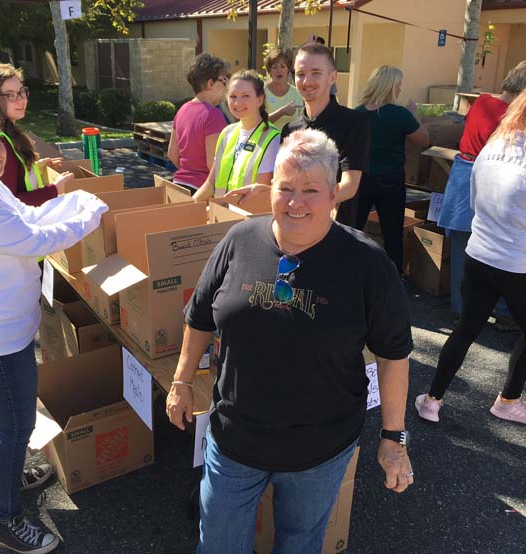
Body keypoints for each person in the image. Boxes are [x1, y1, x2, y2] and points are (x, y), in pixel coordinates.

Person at [168, 128, 414, 553]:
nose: (295, 202)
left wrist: (395, 439)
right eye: (285, 188)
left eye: (310, 190)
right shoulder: (239, 241)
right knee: (220, 544)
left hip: (319, 450)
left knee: (299, 543)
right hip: (235, 440)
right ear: (270, 190)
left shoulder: (366, 263)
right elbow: (200, 316)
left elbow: (394, 355)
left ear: (334, 195)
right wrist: (181, 381)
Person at [0, 108, 108, 553]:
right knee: (16, 425)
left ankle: (7, 479)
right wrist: (90, 212)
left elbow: (27, 219)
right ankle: (5, 522)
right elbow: (37, 241)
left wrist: (66, 203)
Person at [416, 77, 526, 426]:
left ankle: (432, 400)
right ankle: (508, 400)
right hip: (525, 267)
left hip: (480, 256)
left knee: (466, 329)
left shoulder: (491, 148)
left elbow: (477, 202)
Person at [437, 60, 526, 321]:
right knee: (496, 248)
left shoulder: (482, 101)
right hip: (487, 181)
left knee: (464, 246)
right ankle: (493, 311)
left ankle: (461, 308)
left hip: (463, 174)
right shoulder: (512, 116)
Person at [282, 43, 370, 227]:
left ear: (332, 77)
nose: (307, 81)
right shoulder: (290, 129)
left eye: (316, 73)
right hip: (295, 227)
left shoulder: (354, 123)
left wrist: (304, 204)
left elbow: (350, 186)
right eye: (301, 74)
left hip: (335, 231)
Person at [354, 65, 429, 274]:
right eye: (398, 85)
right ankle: (393, 278)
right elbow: (424, 140)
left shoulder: (357, 113)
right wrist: (415, 116)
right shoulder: (400, 114)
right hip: (390, 179)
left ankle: (347, 272)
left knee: (352, 229)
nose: (400, 89)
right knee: (392, 233)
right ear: (390, 86)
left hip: (361, 178)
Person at [0, 63, 73, 206]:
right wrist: (55, 189)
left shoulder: (7, 132)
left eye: (21, 92)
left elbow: (14, 177)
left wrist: (34, 168)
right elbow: (9, 204)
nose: (21, 100)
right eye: (10, 95)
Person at [193, 70, 281, 201]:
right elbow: (210, 185)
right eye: (233, 96)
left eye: (245, 96)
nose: (237, 102)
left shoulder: (272, 138)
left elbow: (259, 195)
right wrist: (187, 206)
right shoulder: (226, 133)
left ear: (260, 100)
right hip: (221, 213)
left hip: (246, 217)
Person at [167, 53, 230, 195]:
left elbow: (172, 153)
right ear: (211, 83)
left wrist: (188, 171)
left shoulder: (182, 109)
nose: (226, 87)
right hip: (202, 191)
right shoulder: (213, 115)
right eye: (224, 81)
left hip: (178, 185)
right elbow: (213, 164)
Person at [263, 47, 304, 131]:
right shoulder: (261, 92)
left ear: (288, 69)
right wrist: (281, 112)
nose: (279, 70)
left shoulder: (297, 93)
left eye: (283, 66)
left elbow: (302, 123)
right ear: (269, 71)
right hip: (267, 141)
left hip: (290, 142)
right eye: (275, 67)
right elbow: (258, 123)